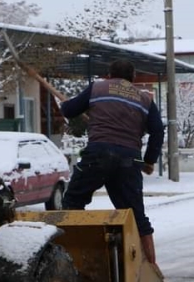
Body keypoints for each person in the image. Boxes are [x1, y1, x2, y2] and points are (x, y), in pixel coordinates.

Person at [61, 59, 163, 267]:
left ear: (109, 74)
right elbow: (158, 130)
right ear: (133, 77)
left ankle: (77, 258)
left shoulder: (97, 88)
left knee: (73, 202)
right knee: (136, 215)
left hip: (98, 153)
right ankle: (152, 266)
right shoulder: (144, 99)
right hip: (130, 158)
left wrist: (65, 105)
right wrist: (149, 160)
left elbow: (69, 110)